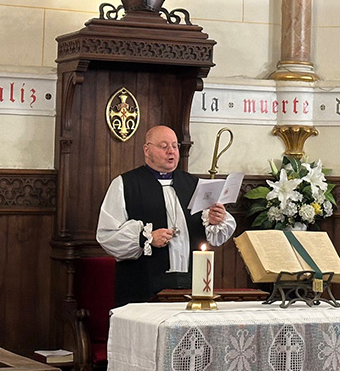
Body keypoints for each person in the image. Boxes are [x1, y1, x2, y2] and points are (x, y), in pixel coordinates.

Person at [97, 126, 236, 306]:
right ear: (147, 150)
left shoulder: (194, 184)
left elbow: (215, 235)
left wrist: (215, 220)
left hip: (190, 288)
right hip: (143, 288)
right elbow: (107, 234)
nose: (171, 151)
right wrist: (145, 238)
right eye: (164, 146)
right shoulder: (125, 184)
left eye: (175, 146)